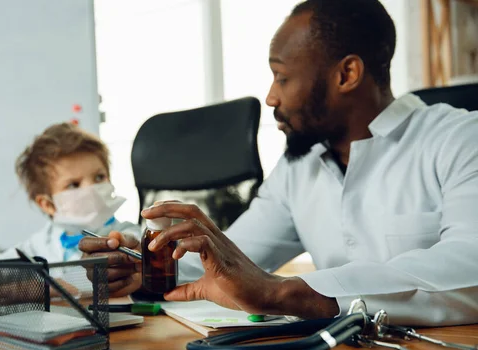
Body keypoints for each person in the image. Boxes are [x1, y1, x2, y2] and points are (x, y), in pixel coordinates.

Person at [79, 0, 478, 326]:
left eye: (282, 77)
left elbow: (469, 264)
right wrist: (147, 267)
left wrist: (285, 292)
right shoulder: (298, 168)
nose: (270, 97)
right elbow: (236, 265)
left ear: (348, 74)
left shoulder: (460, 139)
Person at [0, 123, 140, 296]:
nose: (91, 190)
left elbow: (136, 258)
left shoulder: (125, 234)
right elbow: (2, 263)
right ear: (48, 205)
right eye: (74, 185)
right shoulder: (41, 242)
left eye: (99, 177)